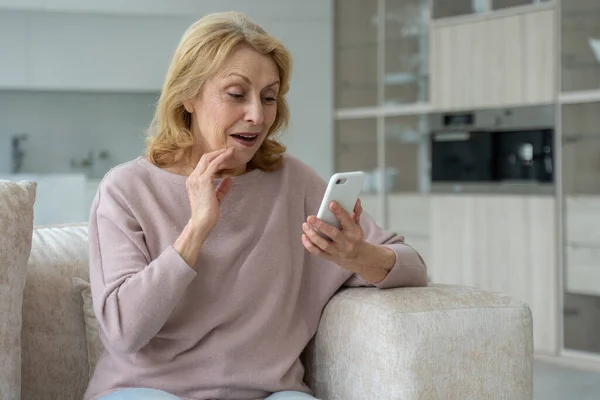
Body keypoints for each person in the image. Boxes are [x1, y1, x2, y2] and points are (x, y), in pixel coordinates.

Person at [85, 11, 427, 400]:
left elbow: (412, 266)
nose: (257, 115)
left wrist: (358, 255)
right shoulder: (127, 189)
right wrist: (196, 231)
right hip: (147, 390)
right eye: (236, 94)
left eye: (269, 97)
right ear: (187, 96)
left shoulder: (293, 183)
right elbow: (123, 330)